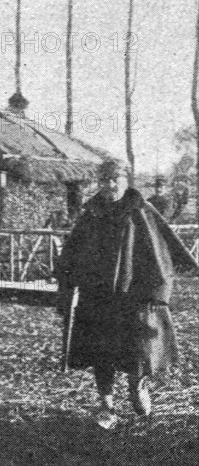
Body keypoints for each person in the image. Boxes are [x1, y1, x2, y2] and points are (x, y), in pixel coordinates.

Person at [56, 159, 197, 429]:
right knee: (101, 350)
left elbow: (159, 253)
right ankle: (107, 405)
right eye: (105, 179)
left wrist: (156, 291)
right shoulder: (92, 213)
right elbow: (73, 251)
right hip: (97, 294)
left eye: (115, 179)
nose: (109, 185)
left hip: (133, 294)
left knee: (136, 347)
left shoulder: (142, 211)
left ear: (126, 181)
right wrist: (67, 281)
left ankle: (137, 387)